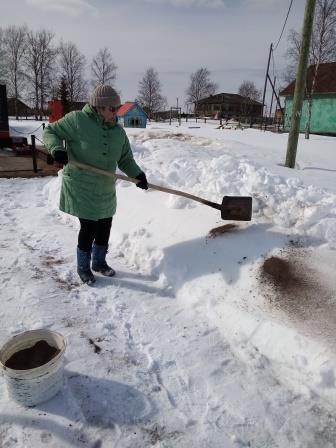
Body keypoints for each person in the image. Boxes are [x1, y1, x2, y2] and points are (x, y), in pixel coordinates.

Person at [43, 84, 148, 284]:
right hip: (81, 185)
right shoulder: (77, 121)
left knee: (105, 226)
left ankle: (99, 262)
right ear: (99, 107)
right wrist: (57, 149)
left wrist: (138, 175)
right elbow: (51, 132)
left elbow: (125, 159)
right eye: (112, 108)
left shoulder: (118, 132)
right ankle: (83, 267)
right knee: (89, 226)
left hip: (105, 187)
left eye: (117, 108)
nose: (116, 112)